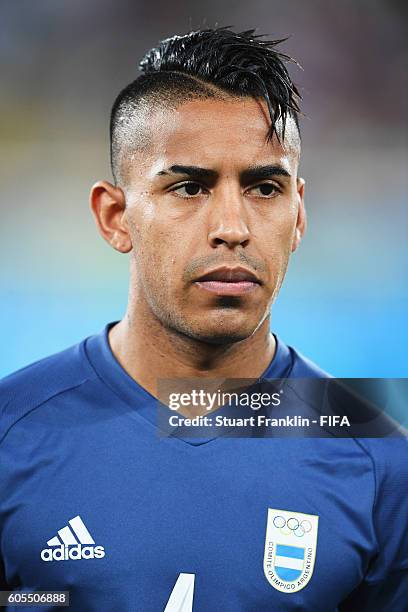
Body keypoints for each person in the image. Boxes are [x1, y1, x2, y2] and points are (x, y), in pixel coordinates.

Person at [0, 27, 407, 612]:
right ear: (115, 216)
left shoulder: (380, 461)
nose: (232, 227)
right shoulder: (13, 436)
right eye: (190, 187)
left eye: (265, 187)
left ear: (297, 216)